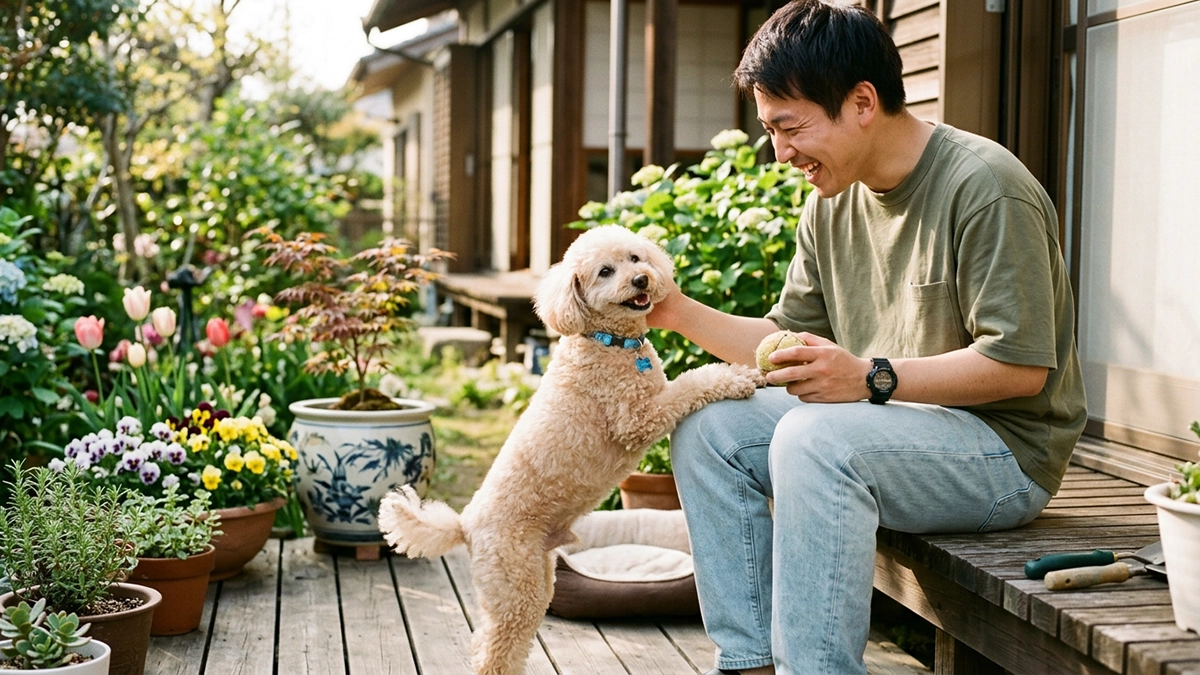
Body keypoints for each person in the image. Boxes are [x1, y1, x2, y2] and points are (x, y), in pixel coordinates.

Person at [647, 2, 1087, 674]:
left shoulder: (986, 187)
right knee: (707, 426)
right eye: (770, 131)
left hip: (1003, 455)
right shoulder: (830, 203)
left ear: (860, 102)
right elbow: (778, 338)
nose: (781, 152)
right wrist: (671, 309)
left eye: (789, 128)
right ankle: (749, 661)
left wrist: (870, 377)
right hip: (884, 429)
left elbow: (1020, 367)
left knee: (813, 438)